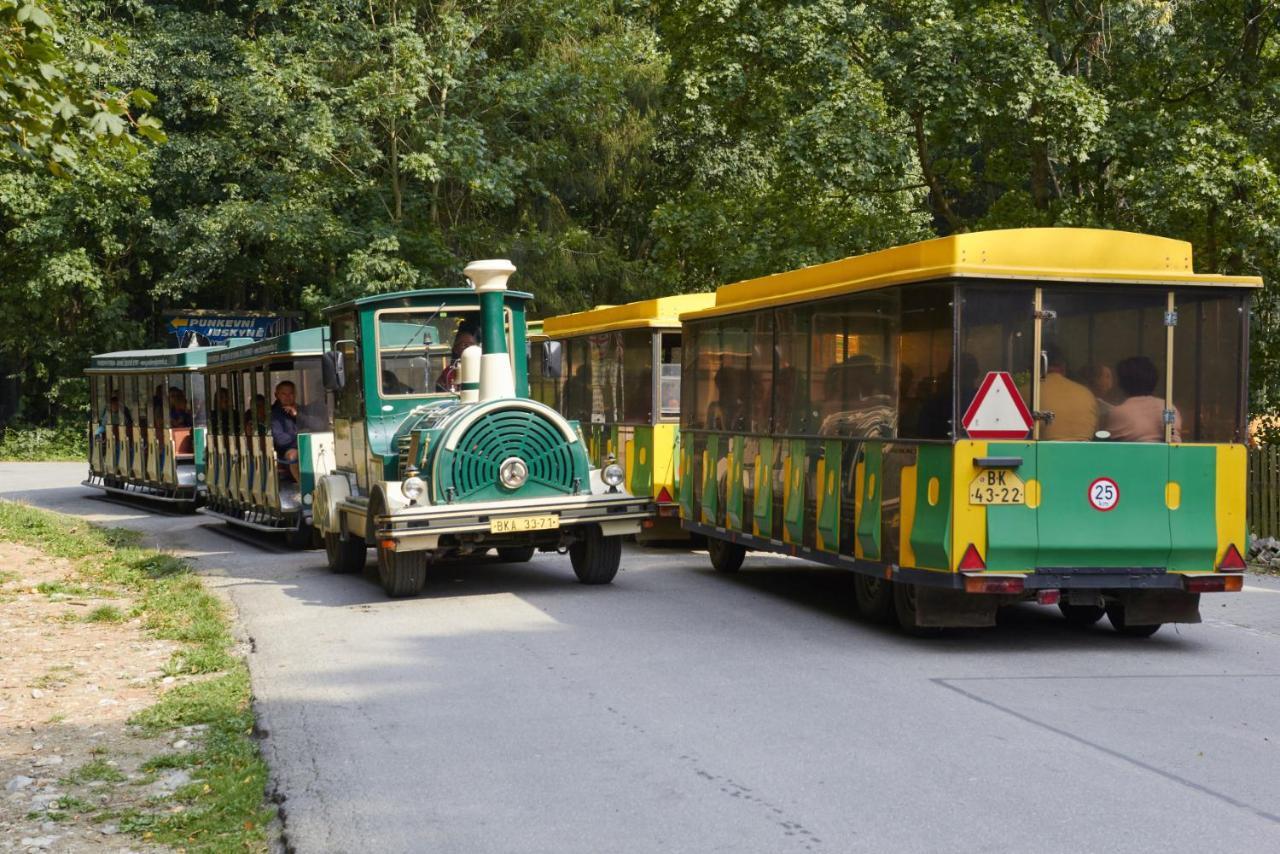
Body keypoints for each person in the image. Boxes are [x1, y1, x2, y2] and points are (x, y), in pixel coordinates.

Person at [1107, 356, 1181, 442]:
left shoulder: (1120, 412)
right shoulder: (1168, 408)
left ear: (1121, 383)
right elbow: (1173, 437)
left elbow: (1108, 446)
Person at [1040, 344, 1098, 440]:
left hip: (1041, 453)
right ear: (1063, 366)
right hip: (1083, 452)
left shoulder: (1028, 392)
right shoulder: (1086, 393)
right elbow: (1097, 432)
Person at [435, 322, 480, 393]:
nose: (468, 349)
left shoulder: (484, 368)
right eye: (464, 345)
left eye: (471, 345)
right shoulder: (449, 372)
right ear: (456, 349)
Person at [271, 380, 301, 482]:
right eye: (284, 394)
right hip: (286, 451)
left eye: (291, 393)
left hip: (309, 444)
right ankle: (303, 489)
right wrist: (299, 436)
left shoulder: (301, 409)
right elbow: (281, 440)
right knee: (294, 456)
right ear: (276, 395)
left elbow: (317, 425)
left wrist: (298, 416)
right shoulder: (274, 414)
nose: (288, 397)